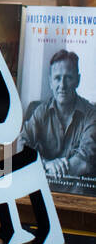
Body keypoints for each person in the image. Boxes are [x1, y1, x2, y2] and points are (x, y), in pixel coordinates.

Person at [21, 50, 96, 182]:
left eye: (68, 77)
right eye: (57, 78)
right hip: (43, 188)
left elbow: (84, 162)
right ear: (50, 82)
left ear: (78, 80)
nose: (62, 85)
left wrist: (48, 168)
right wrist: (45, 164)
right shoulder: (40, 112)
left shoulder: (91, 114)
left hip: (77, 195)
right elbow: (19, 146)